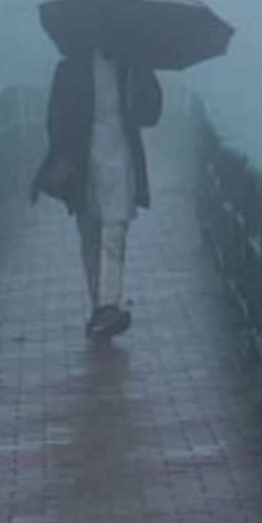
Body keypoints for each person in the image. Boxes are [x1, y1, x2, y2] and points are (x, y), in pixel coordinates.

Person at [30, 43, 164, 338]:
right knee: (90, 229)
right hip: (83, 156)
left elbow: (151, 114)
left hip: (122, 152)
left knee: (116, 226)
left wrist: (140, 89)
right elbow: (56, 118)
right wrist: (63, 155)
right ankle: (98, 305)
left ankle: (108, 303)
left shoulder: (134, 64)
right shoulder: (70, 68)